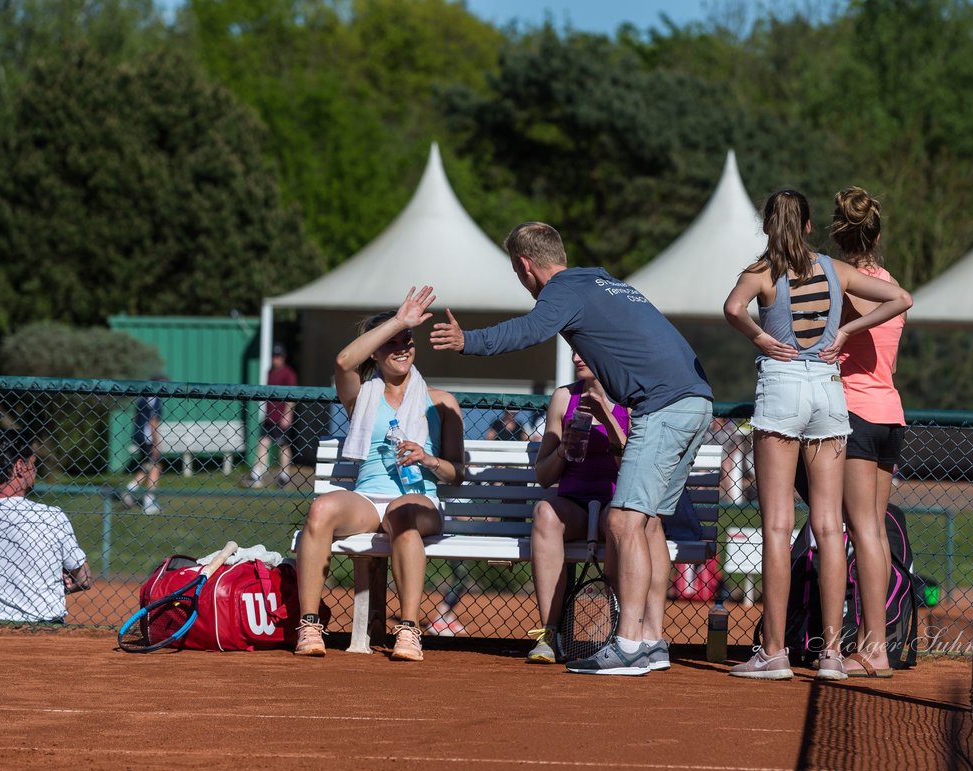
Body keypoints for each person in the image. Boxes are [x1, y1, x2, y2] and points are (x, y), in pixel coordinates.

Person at [430, 221, 713, 677]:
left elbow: (529, 330)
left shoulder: (562, 290)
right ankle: (653, 641)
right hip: (695, 401)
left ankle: (630, 645)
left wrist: (469, 343)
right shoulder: (604, 282)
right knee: (649, 523)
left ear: (525, 266)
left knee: (625, 520)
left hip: (663, 407)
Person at [722, 188, 911, 681]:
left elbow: (732, 308)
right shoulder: (833, 268)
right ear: (808, 226)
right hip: (830, 393)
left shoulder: (761, 272)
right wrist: (845, 334)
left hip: (784, 388)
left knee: (778, 526)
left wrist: (761, 338)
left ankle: (774, 651)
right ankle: (831, 654)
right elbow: (900, 298)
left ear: (768, 225)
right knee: (833, 529)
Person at [293, 287, 465, 661]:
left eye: (408, 340)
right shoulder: (361, 395)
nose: (402, 347)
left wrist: (429, 460)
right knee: (321, 509)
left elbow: (457, 473)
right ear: (376, 350)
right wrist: (398, 321)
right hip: (369, 500)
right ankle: (308, 624)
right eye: (392, 342)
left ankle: (408, 630)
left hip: (420, 502)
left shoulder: (441, 401)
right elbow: (342, 362)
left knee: (401, 514)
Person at [830, 186, 907, 678]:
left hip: (856, 413)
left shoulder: (842, 284)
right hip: (890, 415)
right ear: (877, 235)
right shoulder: (890, 284)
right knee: (872, 532)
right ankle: (873, 644)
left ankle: (871, 647)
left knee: (859, 532)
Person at [526, 352, 630, 663]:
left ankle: (620, 633)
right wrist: (562, 448)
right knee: (544, 512)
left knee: (618, 521)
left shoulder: (631, 397)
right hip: (573, 505)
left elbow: (632, 467)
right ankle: (549, 633)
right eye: (572, 348)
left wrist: (608, 419)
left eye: (583, 348)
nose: (575, 356)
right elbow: (544, 477)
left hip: (617, 504)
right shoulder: (563, 397)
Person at [0, 429, 93, 623]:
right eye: (33, 464)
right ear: (19, 467)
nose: (36, 470)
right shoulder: (50, 516)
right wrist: (62, 583)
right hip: (47, 627)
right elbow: (84, 578)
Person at [244, 343, 298, 488]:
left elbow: (292, 396)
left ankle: (284, 476)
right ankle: (257, 474)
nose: (276, 359)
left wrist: (288, 414)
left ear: (283, 358)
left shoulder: (288, 373)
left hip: (282, 417)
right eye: (274, 356)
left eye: (279, 356)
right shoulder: (270, 372)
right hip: (270, 416)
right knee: (262, 443)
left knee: (283, 446)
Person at [121, 375, 166, 515]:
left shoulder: (143, 397)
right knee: (155, 467)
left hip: (138, 435)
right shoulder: (155, 399)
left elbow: (136, 417)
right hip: (147, 438)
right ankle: (148, 503)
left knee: (148, 466)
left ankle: (129, 489)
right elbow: (153, 423)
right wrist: (156, 444)